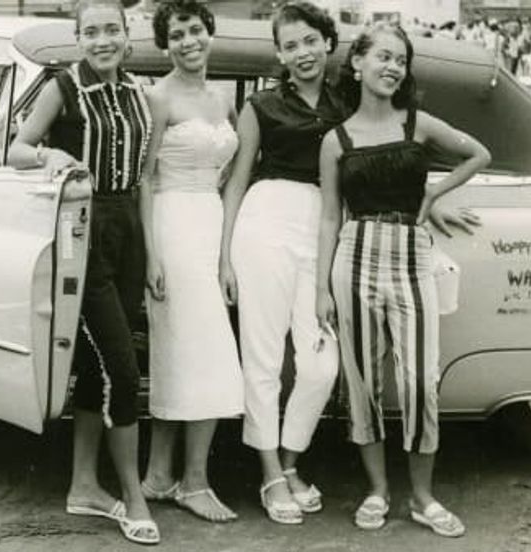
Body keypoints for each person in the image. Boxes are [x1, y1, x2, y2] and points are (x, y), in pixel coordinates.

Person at [316, 23, 491, 538]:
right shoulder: (336, 139)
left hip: (411, 256)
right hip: (355, 253)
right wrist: (322, 287)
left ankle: (423, 498)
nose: (393, 68)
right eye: (384, 58)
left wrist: (433, 196)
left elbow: (478, 153)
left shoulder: (417, 123)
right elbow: (330, 216)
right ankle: (377, 491)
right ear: (357, 64)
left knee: (419, 383)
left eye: (401, 60)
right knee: (364, 381)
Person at [6, 0, 158, 544]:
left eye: (110, 30)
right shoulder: (62, 88)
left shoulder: (140, 92)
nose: (102, 41)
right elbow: (18, 148)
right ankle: (133, 498)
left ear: (126, 34)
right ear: (79, 38)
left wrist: (153, 253)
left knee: (98, 366)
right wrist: (52, 159)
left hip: (130, 233)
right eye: (91, 32)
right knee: (122, 368)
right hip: (83, 234)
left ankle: (83, 487)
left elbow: (147, 178)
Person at [218, 1, 343, 525]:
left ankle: (291, 460)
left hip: (326, 224)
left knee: (319, 364)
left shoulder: (350, 103)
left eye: (309, 41)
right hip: (265, 221)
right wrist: (224, 254)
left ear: (328, 43)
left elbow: (394, 150)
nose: (302, 53)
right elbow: (238, 180)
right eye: (290, 46)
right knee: (264, 356)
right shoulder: (262, 107)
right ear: (280, 55)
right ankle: (271, 471)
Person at [137, 0, 244, 523]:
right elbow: (144, 180)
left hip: (208, 220)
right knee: (200, 352)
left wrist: (225, 257)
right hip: (171, 223)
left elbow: (223, 178)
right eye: (176, 34)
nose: (188, 42)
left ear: (209, 34)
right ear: (165, 44)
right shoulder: (158, 98)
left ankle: (160, 475)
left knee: (185, 353)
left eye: (195, 30)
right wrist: (151, 256)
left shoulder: (221, 96)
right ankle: (193, 483)